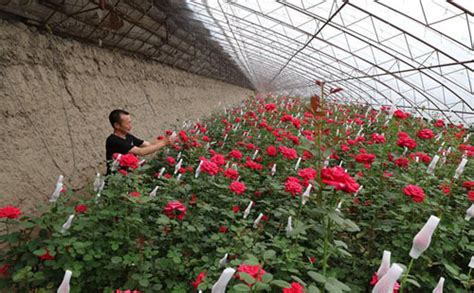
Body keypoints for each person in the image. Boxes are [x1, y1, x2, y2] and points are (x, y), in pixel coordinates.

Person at [105, 109, 174, 175]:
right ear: (117, 125)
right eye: (127, 123)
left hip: (127, 178)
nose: (130, 126)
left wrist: (167, 139)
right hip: (115, 181)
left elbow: (148, 144)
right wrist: (164, 143)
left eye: (130, 122)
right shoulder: (114, 140)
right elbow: (141, 152)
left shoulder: (127, 136)